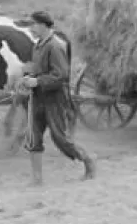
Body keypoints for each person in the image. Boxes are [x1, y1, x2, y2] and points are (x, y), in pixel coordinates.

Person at [18, 10, 96, 185]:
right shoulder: (38, 46)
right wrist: (27, 75)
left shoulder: (55, 46)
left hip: (55, 99)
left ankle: (88, 159)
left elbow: (60, 76)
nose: (31, 28)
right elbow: (39, 69)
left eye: (33, 24)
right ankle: (37, 179)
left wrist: (36, 81)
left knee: (60, 138)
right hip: (37, 98)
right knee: (33, 138)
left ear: (43, 25)